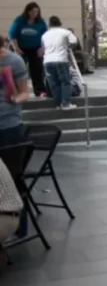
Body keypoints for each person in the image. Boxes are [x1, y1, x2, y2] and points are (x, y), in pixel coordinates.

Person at [0, 36, 30, 239]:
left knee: (13, 177)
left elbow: (24, 93)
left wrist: (14, 99)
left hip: (9, 127)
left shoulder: (14, 61)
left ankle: (21, 225)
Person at [8, 2, 47, 96]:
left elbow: (45, 36)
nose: (35, 13)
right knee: (19, 70)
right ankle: (17, 91)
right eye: (33, 11)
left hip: (35, 49)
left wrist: (42, 48)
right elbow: (12, 35)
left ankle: (39, 91)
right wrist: (16, 48)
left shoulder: (40, 22)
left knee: (37, 69)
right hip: (21, 48)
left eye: (37, 11)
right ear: (28, 11)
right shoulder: (19, 20)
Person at [41, 16, 78, 110]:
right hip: (60, 59)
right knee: (65, 82)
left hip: (47, 61)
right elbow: (74, 41)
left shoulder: (45, 35)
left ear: (49, 24)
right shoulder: (65, 32)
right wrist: (68, 47)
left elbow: (43, 48)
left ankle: (58, 103)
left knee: (54, 84)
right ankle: (65, 103)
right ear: (60, 23)